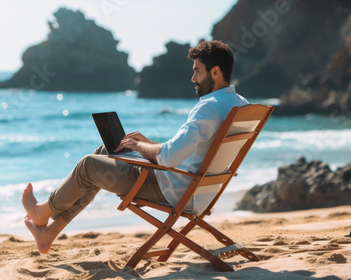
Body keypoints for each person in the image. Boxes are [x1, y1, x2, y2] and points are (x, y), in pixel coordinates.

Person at [22, 40, 249, 254]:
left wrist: (139, 147)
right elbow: (186, 151)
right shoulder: (242, 105)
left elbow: (169, 158)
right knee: (106, 151)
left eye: (197, 70)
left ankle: (42, 213)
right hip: (201, 191)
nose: (193, 78)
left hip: (174, 190)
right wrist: (147, 144)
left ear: (216, 72)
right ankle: (49, 233)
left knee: (88, 166)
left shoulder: (207, 108)